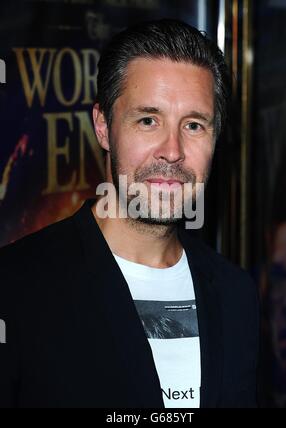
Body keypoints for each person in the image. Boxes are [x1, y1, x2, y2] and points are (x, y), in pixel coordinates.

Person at [0, 19, 259, 408]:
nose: (172, 150)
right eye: (148, 120)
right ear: (103, 126)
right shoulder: (16, 288)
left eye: (193, 125)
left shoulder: (236, 294)